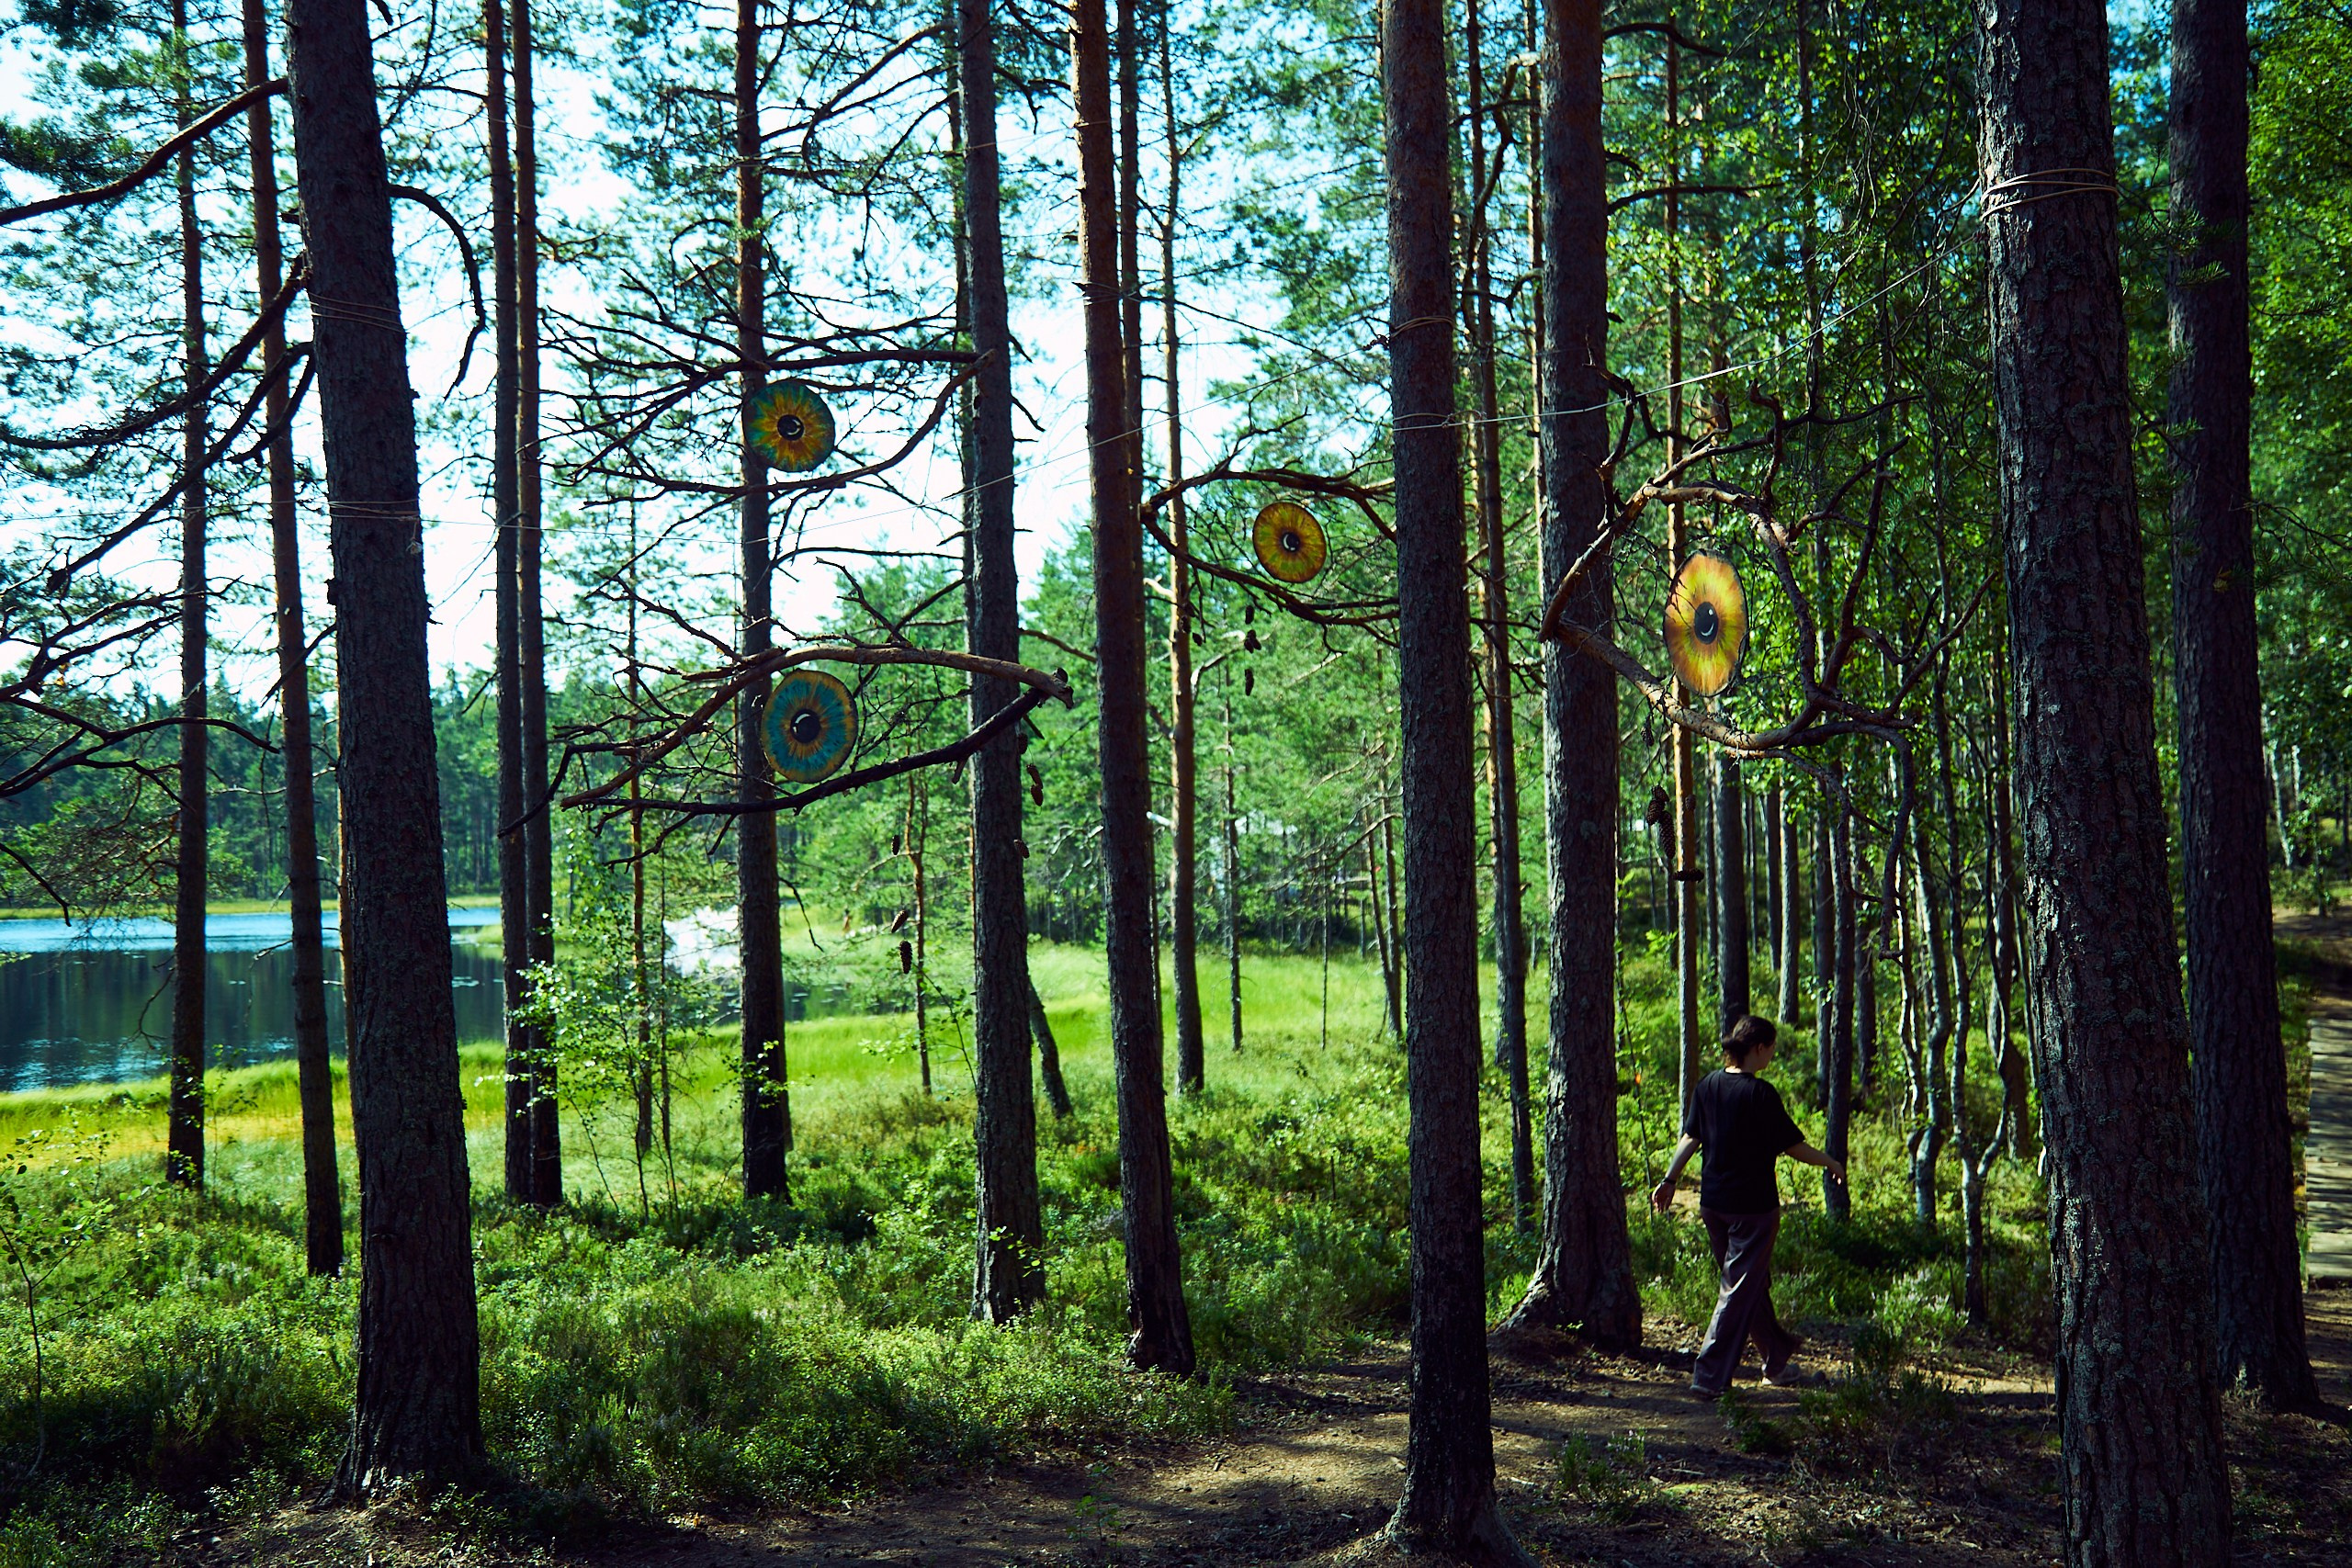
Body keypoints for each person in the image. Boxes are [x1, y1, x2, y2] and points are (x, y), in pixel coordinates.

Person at [1650, 1014, 1845, 1397]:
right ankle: (1708, 1378)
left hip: (1715, 1206)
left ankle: (1776, 1358)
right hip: (1753, 1210)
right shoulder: (1760, 1094)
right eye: (1771, 1048)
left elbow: (1690, 1136)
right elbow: (1793, 1146)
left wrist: (1670, 1179)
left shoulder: (1707, 1085)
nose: (1772, 1055)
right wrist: (1830, 1162)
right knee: (1737, 1288)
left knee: (1749, 1284)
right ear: (1759, 1048)